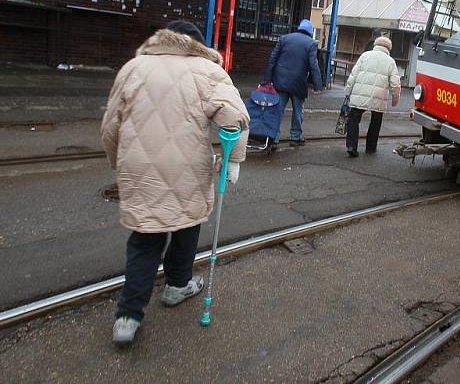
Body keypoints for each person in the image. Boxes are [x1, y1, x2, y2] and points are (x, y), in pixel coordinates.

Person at [101, 20, 249, 346]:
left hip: (138, 166)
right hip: (188, 166)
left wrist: (119, 164)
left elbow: (111, 125)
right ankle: (177, 285)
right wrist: (232, 161)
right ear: (196, 44)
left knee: (145, 238)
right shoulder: (207, 71)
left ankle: (128, 316)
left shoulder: (134, 67)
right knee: (186, 224)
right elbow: (235, 118)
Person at [263, 19, 323, 146]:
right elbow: (314, 65)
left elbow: (272, 59)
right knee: (297, 111)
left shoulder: (284, 38)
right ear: (310, 31)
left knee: (278, 110)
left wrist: (267, 80)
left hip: (280, 81)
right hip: (298, 83)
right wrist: (318, 85)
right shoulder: (311, 44)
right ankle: (295, 137)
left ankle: (274, 138)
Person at [344, 36, 401, 157]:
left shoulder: (365, 56)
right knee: (376, 121)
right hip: (378, 96)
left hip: (360, 93)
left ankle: (351, 146)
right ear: (388, 48)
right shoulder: (390, 61)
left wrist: (347, 92)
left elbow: (353, 76)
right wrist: (395, 100)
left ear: (376, 45)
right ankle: (370, 148)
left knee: (353, 119)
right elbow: (396, 84)